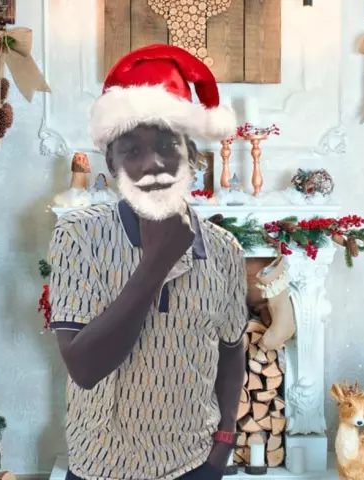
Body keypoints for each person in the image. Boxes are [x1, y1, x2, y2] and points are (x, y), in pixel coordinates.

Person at [47, 44, 248, 480]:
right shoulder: (79, 236)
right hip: (101, 464)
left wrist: (224, 440)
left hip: (194, 463)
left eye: (166, 145)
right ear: (112, 163)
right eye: (132, 150)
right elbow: (84, 368)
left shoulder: (225, 249)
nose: (152, 163)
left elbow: (232, 351)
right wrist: (157, 262)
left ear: (191, 155)